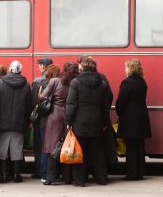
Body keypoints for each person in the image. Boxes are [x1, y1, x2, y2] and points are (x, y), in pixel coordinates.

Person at [65, 57, 111, 186]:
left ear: (83, 68)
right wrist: (104, 123)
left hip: (80, 123)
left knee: (80, 152)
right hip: (97, 122)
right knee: (98, 153)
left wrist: (68, 121)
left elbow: (71, 104)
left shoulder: (76, 82)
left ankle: (80, 181)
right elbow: (105, 106)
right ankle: (102, 179)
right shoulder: (102, 83)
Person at [0, 60, 32, 183]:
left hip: (2, 122)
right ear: (20, 70)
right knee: (17, 148)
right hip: (19, 123)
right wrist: (26, 120)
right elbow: (29, 105)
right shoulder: (25, 84)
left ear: (9, 69)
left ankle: (3, 175)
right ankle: (16, 175)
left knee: (2, 149)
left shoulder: (0, 83)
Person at [40, 62, 78, 185]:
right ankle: (67, 178)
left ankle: (50, 178)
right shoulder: (75, 83)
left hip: (54, 117)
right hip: (69, 117)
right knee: (67, 146)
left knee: (52, 147)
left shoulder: (55, 81)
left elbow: (42, 96)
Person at [115, 58, 151, 181]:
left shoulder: (127, 82)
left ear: (130, 68)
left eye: (126, 67)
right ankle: (140, 172)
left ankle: (132, 174)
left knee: (130, 147)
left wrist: (120, 113)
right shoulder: (142, 82)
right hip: (141, 117)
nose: (125, 69)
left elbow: (120, 102)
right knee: (140, 145)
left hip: (130, 118)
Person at [31, 57, 53, 180]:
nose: (39, 67)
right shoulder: (58, 80)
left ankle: (39, 171)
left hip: (40, 119)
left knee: (40, 145)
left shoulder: (37, 81)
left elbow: (33, 101)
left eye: (40, 65)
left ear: (43, 66)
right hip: (54, 118)